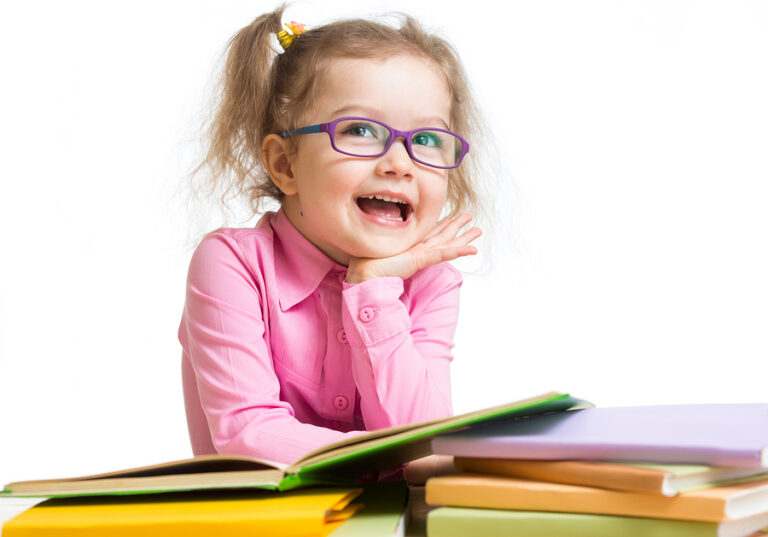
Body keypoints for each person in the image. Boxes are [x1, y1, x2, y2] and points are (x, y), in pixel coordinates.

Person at [179, 4, 485, 465]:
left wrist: (372, 290)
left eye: (425, 139)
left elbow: (425, 441)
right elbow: (248, 434)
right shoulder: (232, 264)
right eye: (361, 130)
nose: (399, 164)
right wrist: (391, 461)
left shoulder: (432, 284)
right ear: (286, 164)